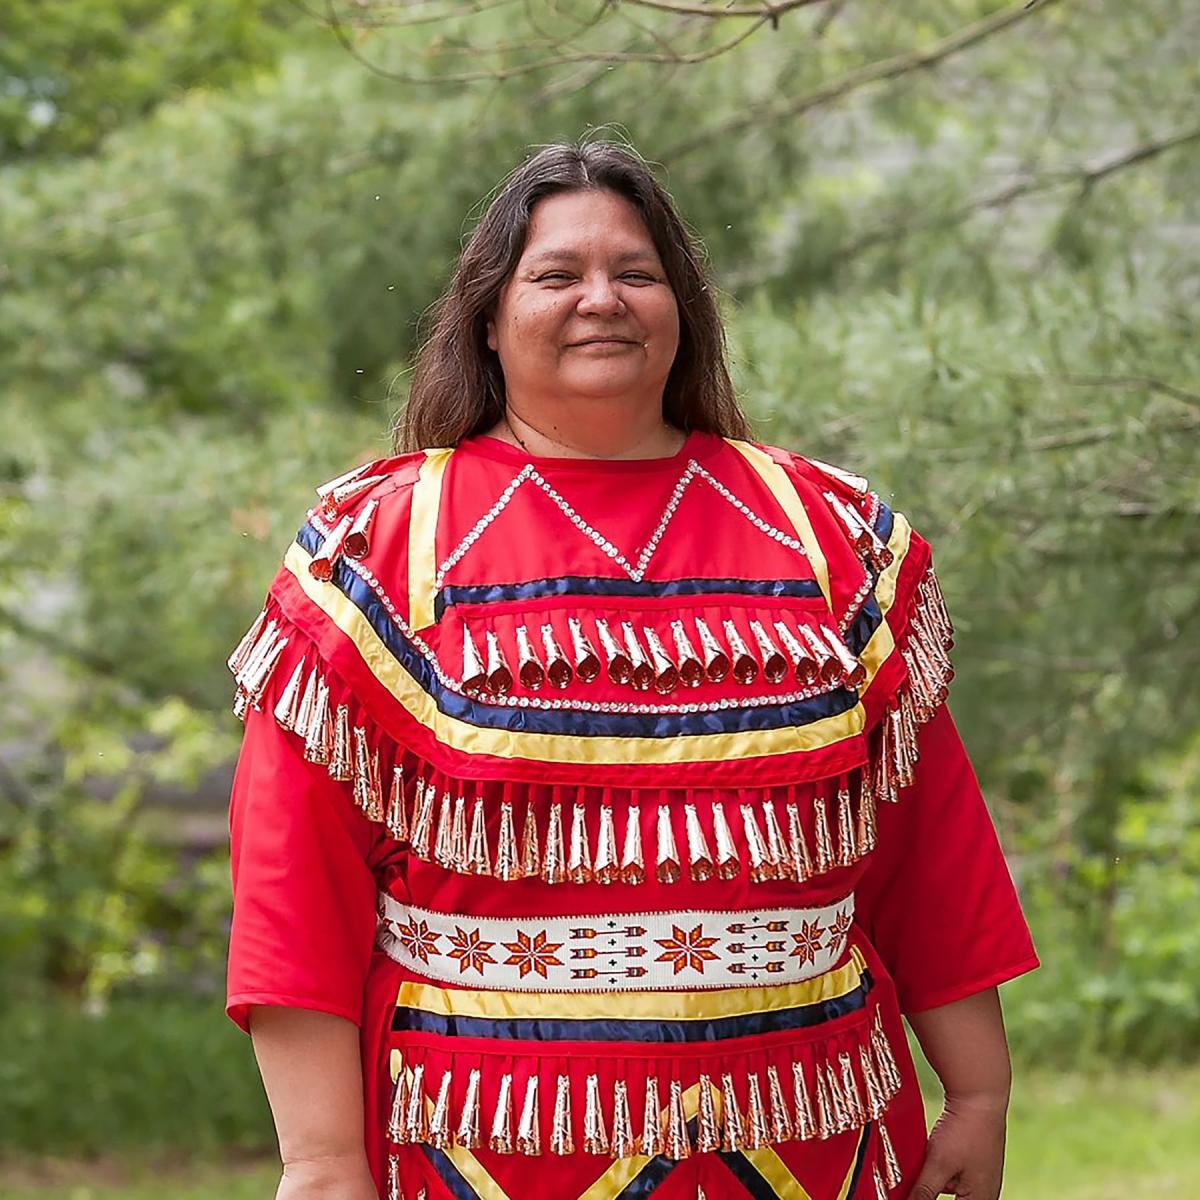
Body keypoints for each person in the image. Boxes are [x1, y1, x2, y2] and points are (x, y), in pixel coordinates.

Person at [225, 139, 1038, 1200]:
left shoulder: (829, 536)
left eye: (636, 272)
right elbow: (296, 885)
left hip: (818, 1143)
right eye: (557, 274)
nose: (601, 299)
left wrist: (978, 1091)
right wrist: (324, 1159)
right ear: (487, 316)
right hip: (485, 1153)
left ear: (682, 308)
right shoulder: (378, 546)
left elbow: (928, 846)